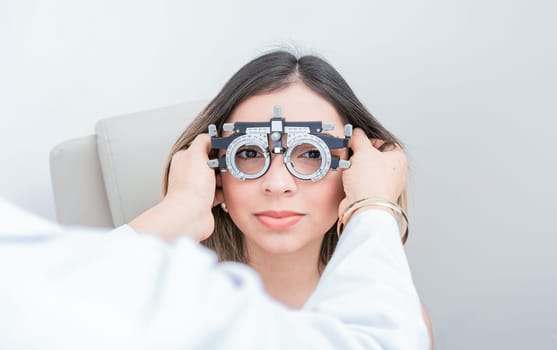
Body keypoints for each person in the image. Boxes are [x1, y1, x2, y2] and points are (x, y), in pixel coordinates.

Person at [128, 51, 433, 345]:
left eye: (313, 153)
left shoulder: (396, 316)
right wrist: (181, 209)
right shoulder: (162, 307)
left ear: (358, 167)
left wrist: (371, 203)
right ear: (213, 167)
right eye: (248, 153)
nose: (277, 184)